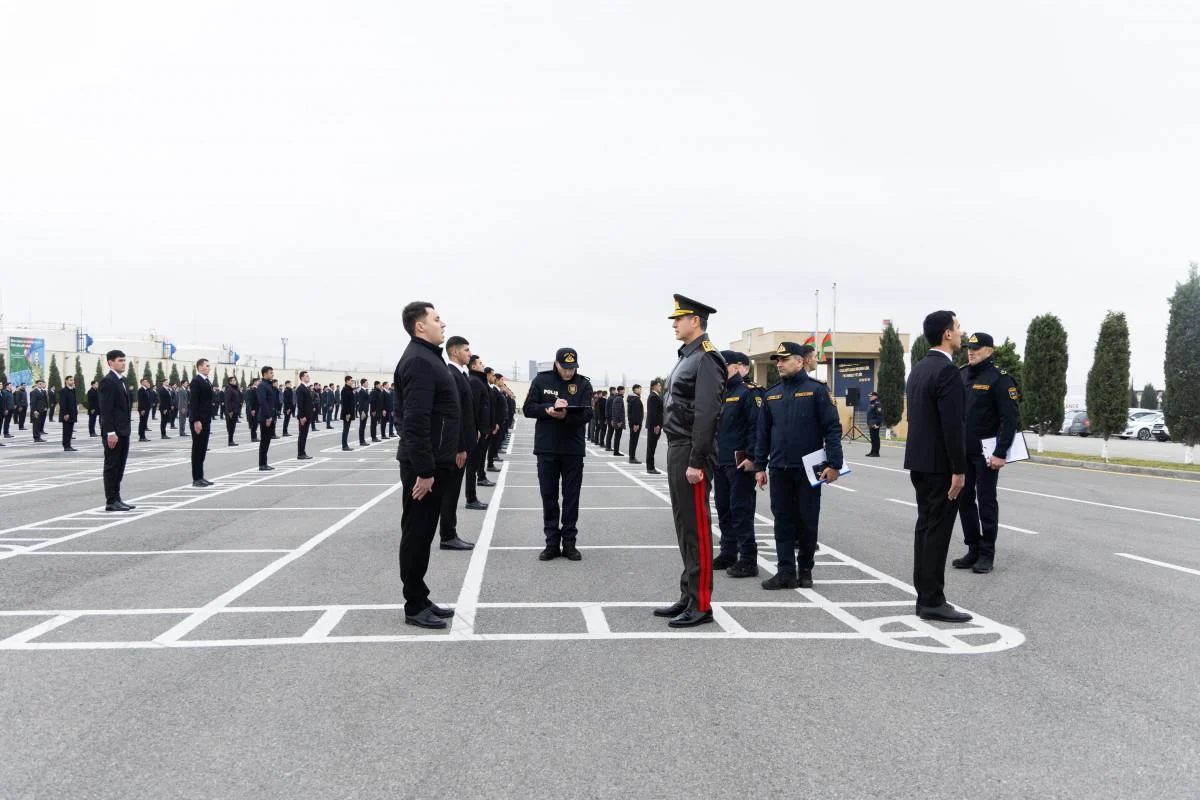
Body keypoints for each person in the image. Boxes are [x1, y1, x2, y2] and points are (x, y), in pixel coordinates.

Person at [743, 343, 843, 589]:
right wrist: (759, 467)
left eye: (784, 359)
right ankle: (785, 571)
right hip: (779, 468)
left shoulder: (816, 391)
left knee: (807, 520)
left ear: (799, 362)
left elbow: (832, 428)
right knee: (782, 520)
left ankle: (805, 569)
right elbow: (763, 433)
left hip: (809, 469)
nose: (779, 363)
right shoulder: (772, 394)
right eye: (777, 359)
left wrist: (834, 464)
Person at [653, 294, 726, 628]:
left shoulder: (707, 359)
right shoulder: (687, 357)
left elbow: (707, 413)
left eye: (678, 319)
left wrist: (697, 459)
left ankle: (702, 603)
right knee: (684, 524)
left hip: (692, 450)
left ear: (694, 320)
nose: (674, 324)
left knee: (697, 527)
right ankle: (688, 594)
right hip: (678, 446)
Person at [395, 301, 460, 630]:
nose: (442, 323)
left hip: (434, 461)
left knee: (423, 532)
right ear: (420, 326)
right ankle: (414, 605)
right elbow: (415, 419)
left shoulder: (427, 357)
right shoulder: (419, 361)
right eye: (436, 319)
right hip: (425, 466)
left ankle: (420, 595)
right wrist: (424, 470)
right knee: (417, 534)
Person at [904, 310, 972, 623]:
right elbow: (952, 427)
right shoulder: (947, 372)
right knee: (938, 532)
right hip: (941, 466)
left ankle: (925, 596)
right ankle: (932, 600)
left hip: (920, 462)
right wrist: (959, 470)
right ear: (946, 333)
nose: (960, 332)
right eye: (957, 327)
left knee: (926, 529)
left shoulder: (918, 369)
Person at [953, 332, 1021, 575]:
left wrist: (1001, 452)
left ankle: (987, 553)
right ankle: (972, 548)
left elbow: (1009, 419)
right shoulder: (960, 375)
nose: (971, 352)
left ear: (989, 351)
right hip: (962, 451)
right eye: (970, 348)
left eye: (977, 349)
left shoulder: (1000, 379)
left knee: (986, 501)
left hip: (986, 455)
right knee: (964, 500)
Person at [523, 347, 593, 561]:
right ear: (556, 363)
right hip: (547, 448)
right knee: (549, 496)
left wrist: (566, 417)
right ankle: (552, 542)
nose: (568, 373)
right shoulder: (541, 381)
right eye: (565, 368)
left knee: (571, 498)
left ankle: (570, 543)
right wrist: (548, 408)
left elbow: (588, 413)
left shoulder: (583, 383)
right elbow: (528, 408)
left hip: (572, 449)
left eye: (572, 368)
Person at [713, 351, 760, 577]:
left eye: (723, 364)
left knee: (741, 510)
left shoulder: (747, 393)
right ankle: (728, 552)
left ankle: (748, 559)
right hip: (720, 460)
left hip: (740, 462)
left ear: (734, 367)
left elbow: (756, 428)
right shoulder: (719, 392)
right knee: (723, 508)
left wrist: (753, 457)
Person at [437, 336, 478, 551]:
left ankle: (449, 533)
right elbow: (456, 414)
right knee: (451, 491)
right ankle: (448, 535)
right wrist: (460, 447)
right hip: (456, 446)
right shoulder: (451, 374)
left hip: (462, 442)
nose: (469, 354)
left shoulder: (460, 374)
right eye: (466, 350)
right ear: (454, 352)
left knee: (453, 490)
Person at [99, 350, 136, 512]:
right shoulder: (108, 382)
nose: (123, 363)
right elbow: (106, 410)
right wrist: (110, 432)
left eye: (124, 360)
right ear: (110, 362)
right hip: (114, 432)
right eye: (120, 360)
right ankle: (111, 500)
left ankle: (117, 497)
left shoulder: (122, 380)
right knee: (112, 466)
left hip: (124, 430)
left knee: (120, 466)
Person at [468, 356, 495, 488]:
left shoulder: (480, 381)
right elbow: (474, 408)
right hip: (478, 431)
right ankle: (471, 497)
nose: (483, 365)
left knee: (478, 459)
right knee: (472, 464)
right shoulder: (474, 382)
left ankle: (481, 478)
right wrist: (476, 428)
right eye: (480, 363)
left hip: (484, 429)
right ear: (473, 367)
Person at [190, 359, 214, 486]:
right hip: (199, 420)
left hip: (206, 419)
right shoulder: (196, 381)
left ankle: (201, 476)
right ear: (199, 367)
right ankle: (196, 478)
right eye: (207, 366)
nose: (209, 368)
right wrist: (196, 420)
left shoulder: (206, 381)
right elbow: (193, 402)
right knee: (198, 449)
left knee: (203, 449)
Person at [257, 367, 279, 470]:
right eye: (271, 373)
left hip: (271, 416)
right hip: (266, 417)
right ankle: (262, 464)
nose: (272, 374)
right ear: (265, 374)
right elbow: (263, 402)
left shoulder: (270, 385)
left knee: (267, 441)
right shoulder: (262, 385)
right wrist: (268, 416)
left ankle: (264, 463)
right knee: (264, 441)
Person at [294, 370, 315, 460]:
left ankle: (303, 452)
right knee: (302, 435)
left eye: (308, 376)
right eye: (306, 376)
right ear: (302, 377)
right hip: (304, 416)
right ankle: (300, 453)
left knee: (304, 435)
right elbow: (300, 404)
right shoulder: (300, 388)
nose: (308, 377)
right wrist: (302, 416)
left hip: (308, 415)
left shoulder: (306, 388)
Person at [645, 380, 663, 474]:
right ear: (654, 386)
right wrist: (656, 425)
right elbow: (653, 413)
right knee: (651, 448)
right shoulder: (653, 397)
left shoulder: (656, 396)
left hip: (655, 425)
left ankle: (650, 467)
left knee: (652, 447)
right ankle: (650, 467)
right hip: (654, 426)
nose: (660, 387)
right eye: (659, 385)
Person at [59, 376, 79, 451]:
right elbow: (63, 403)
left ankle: (69, 445)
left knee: (70, 431)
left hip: (72, 414)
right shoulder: (64, 390)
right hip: (67, 414)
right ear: (66, 381)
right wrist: (65, 413)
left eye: (73, 380)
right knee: (66, 431)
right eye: (70, 380)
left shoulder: (72, 390)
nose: (72, 381)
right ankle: (66, 446)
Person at [627, 385, 644, 464]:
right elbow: (635, 413)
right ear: (635, 389)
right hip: (635, 424)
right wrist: (636, 424)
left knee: (633, 440)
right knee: (634, 440)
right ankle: (632, 457)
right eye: (640, 389)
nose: (641, 390)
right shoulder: (636, 400)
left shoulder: (632, 399)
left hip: (633, 423)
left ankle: (632, 456)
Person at [224, 377, 243, 446]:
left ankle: (231, 440)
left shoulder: (235, 389)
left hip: (235, 410)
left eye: (235, 380)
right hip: (231, 411)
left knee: (233, 426)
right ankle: (230, 441)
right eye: (233, 380)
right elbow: (227, 401)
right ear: (230, 382)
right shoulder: (229, 389)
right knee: (230, 426)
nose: (235, 381)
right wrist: (230, 411)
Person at [609, 386, 627, 457]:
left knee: (617, 436)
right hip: (618, 422)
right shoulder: (619, 399)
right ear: (620, 391)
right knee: (617, 437)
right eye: (623, 390)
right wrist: (619, 421)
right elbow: (617, 411)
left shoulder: (617, 398)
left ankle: (616, 451)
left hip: (617, 421)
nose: (624, 391)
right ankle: (616, 451)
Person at [340, 376, 356, 451]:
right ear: (347, 381)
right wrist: (347, 413)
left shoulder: (349, 389)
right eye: (351, 380)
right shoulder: (345, 390)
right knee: (345, 429)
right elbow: (345, 403)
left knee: (347, 429)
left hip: (349, 412)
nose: (352, 382)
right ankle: (344, 445)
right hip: (347, 413)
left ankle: (345, 444)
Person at [866, 390, 883, 457]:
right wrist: (868, 423)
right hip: (871, 424)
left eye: (871, 396)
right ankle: (872, 451)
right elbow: (870, 414)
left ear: (875, 396)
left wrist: (878, 424)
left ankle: (876, 453)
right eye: (869, 396)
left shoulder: (877, 403)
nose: (870, 397)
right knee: (872, 438)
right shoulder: (871, 403)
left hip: (875, 424)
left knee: (876, 438)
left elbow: (880, 415)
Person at [245, 377, 260, 442]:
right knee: (254, 423)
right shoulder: (252, 390)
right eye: (258, 381)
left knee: (256, 423)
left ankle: (255, 437)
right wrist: (252, 409)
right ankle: (253, 437)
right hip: (254, 409)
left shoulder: (257, 389)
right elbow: (252, 400)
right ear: (255, 382)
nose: (259, 382)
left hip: (257, 408)